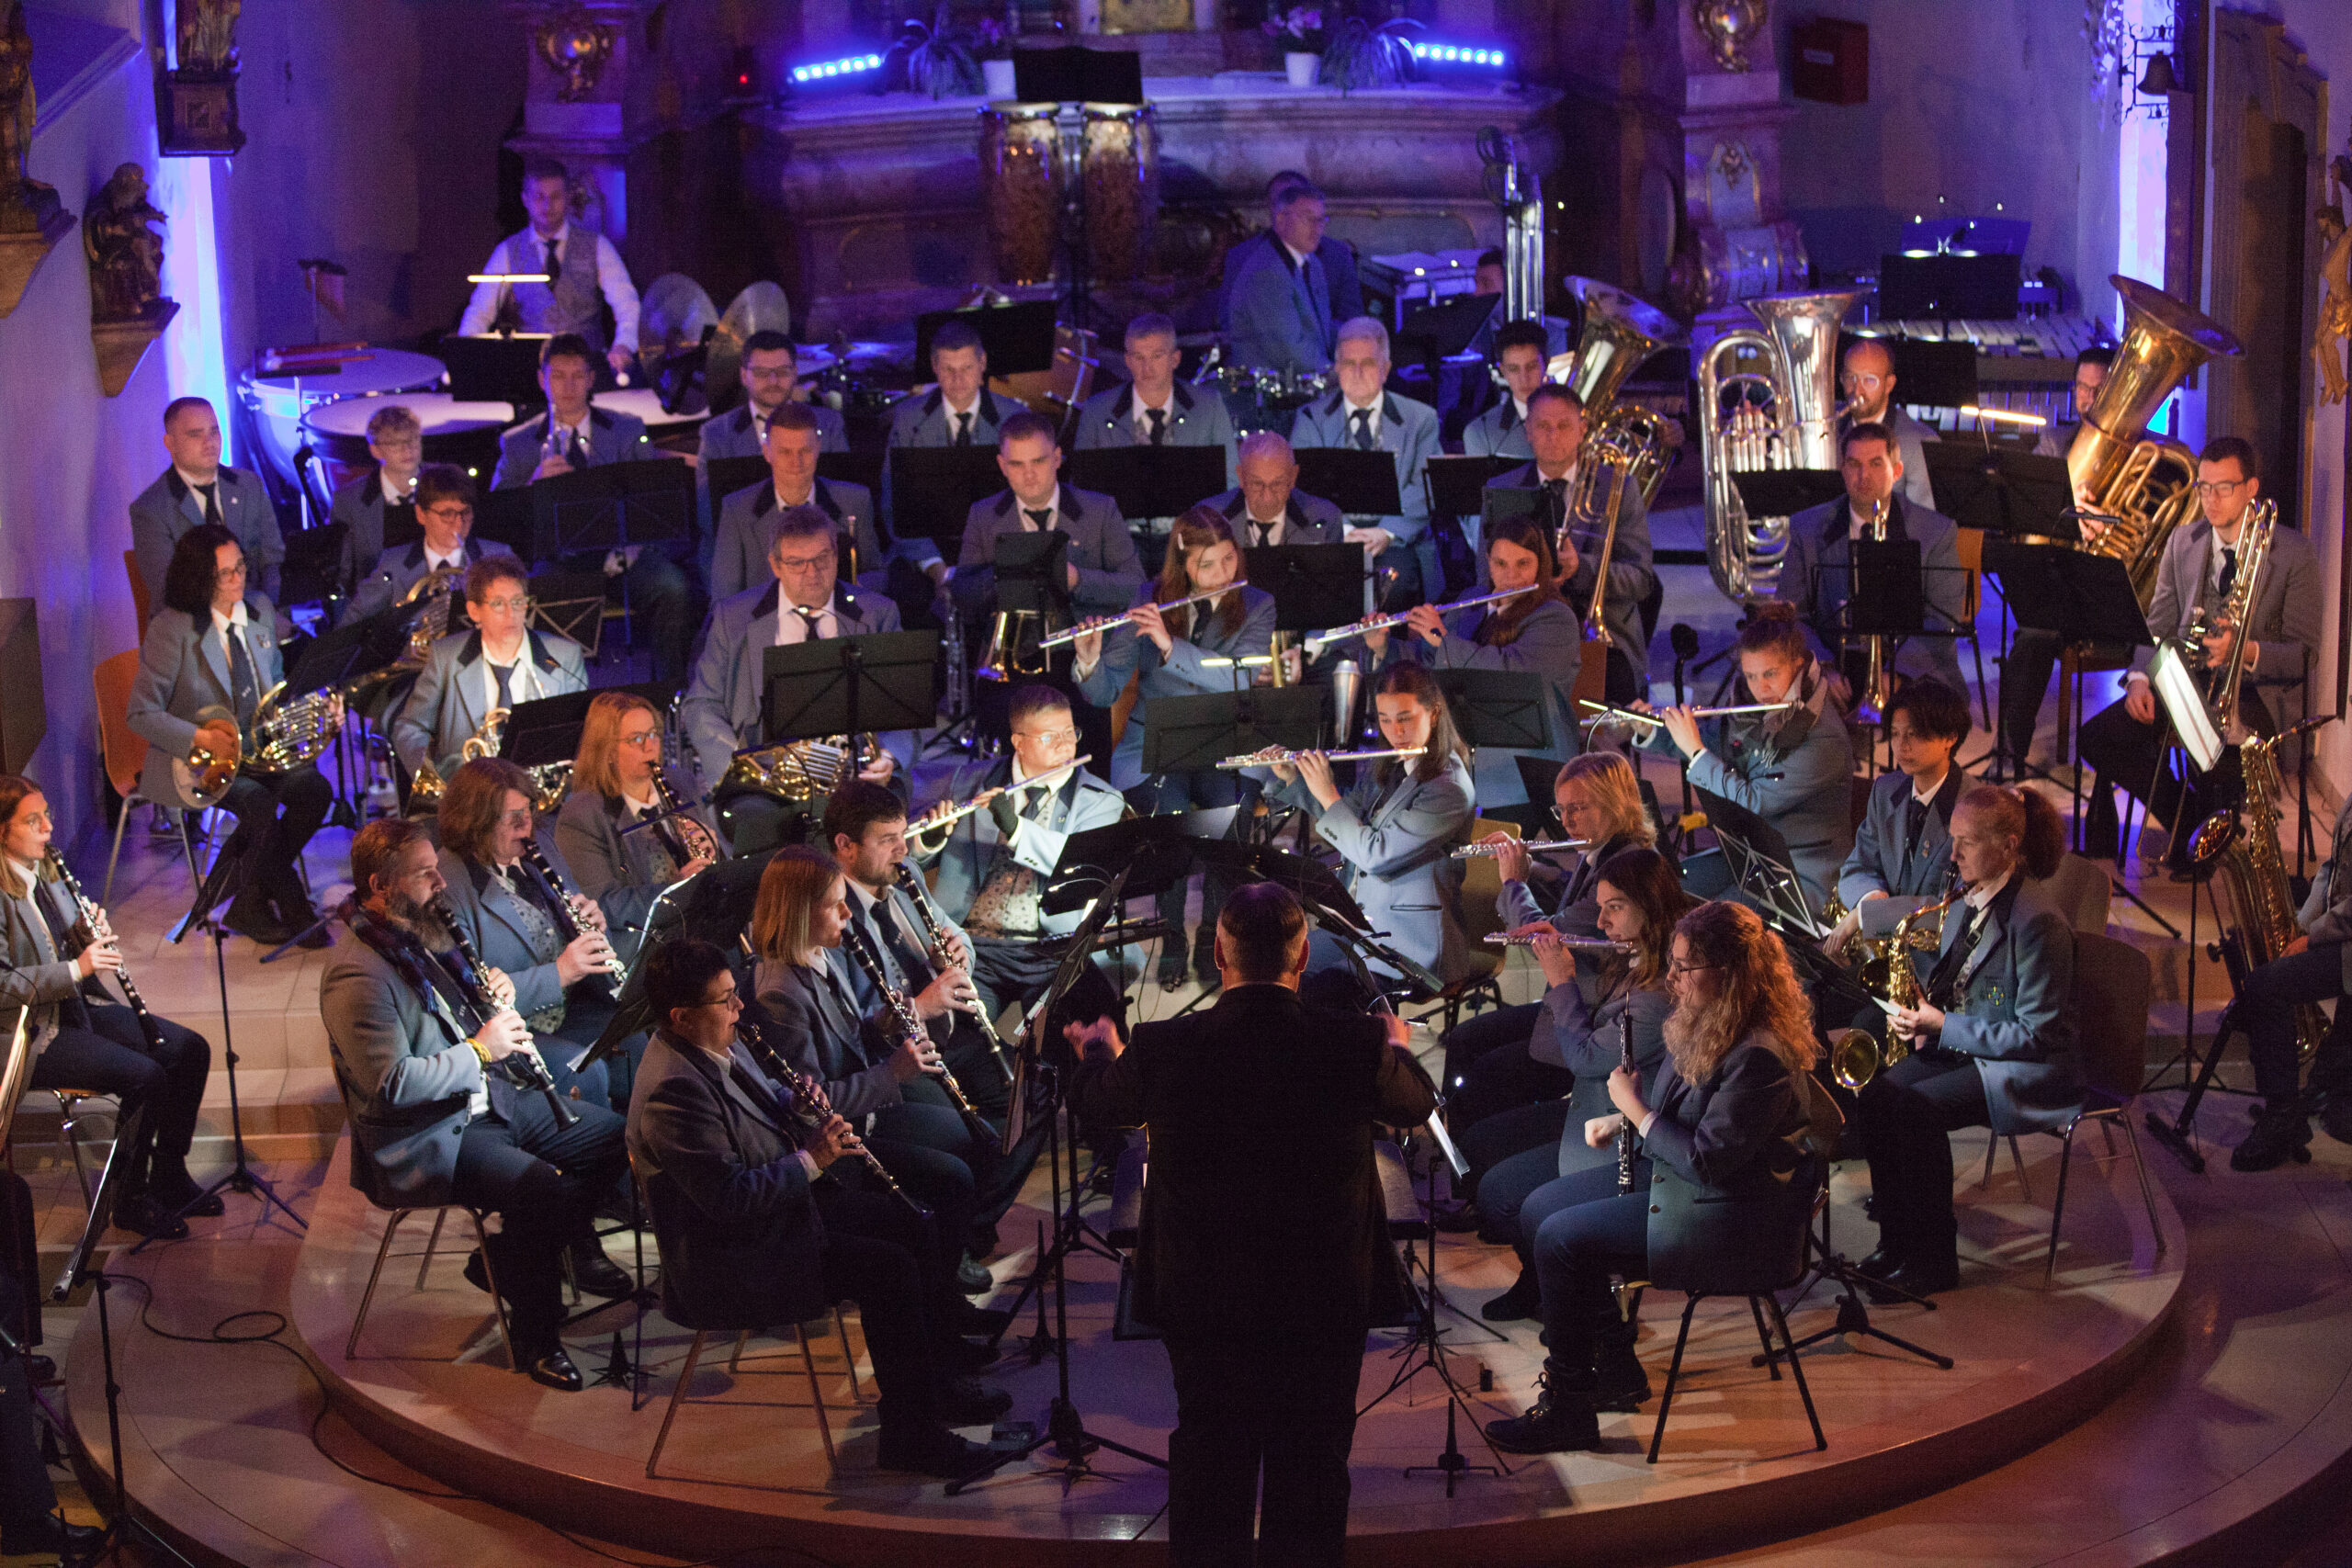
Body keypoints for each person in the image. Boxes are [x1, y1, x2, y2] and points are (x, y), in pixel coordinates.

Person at [1067, 881, 1436, 1568]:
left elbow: (1097, 1105)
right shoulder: (1352, 1041)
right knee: (1313, 1461)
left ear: (1217, 953)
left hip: (1204, 1295)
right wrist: (1397, 1045)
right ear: (1302, 957)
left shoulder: (1163, 1044)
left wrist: (1099, 1050)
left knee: (1211, 1456)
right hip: (1324, 1292)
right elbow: (1416, 1104)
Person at [629, 937, 1010, 1478]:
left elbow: (762, 1099)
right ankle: (912, 1437)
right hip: (738, 1257)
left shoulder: (714, 1038)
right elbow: (730, 1200)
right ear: (681, 1016)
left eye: (736, 993)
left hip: (781, 1216)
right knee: (889, 1268)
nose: (739, 1007)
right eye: (726, 999)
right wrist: (814, 1158)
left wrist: (796, 1101)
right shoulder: (672, 1091)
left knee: (912, 1221)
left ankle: (935, 1384)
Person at [1485, 898, 1817, 1452]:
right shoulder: (1709, 1021)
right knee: (1540, 1207)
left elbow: (1708, 1161)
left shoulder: (1759, 1053)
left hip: (1725, 1215)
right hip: (1683, 1183)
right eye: (1673, 964)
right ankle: (1614, 1366)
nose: (1673, 978)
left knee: (1562, 1238)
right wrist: (1621, 1119)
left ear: (1730, 973)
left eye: (1685, 967)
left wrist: (1636, 1114)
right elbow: (1693, 1118)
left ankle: (1569, 1406)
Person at [322, 818, 632, 1391]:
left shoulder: (417, 934)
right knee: (540, 1190)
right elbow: (390, 1083)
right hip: (429, 1132)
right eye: (424, 873)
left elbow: (454, 1016)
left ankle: (510, 1258)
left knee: (616, 1139)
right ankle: (538, 1336)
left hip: (490, 1102)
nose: (442, 881)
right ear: (381, 886)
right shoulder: (357, 973)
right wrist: (480, 1049)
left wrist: (493, 993)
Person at [746, 843, 1013, 1313]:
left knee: (975, 1142)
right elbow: (808, 1106)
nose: (848, 912)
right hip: (843, 1140)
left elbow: (850, 1037)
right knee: (953, 1174)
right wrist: (893, 1072)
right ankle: (942, 1300)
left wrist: (884, 1025)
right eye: (835, 904)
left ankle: (945, 1276)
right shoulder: (779, 994)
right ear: (801, 913)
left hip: (869, 1107)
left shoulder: (821, 952)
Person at [1856, 784, 2076, 1298]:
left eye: (1967, 843)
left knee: (1918, 1109)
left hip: (2027, 1067)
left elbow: (2037, 1034)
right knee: (1876, 1095)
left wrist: (1941, 1025)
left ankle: (1934, 1260)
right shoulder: (1969, 893)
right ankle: (1896, 1240)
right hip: (1973, 1045)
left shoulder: (2039, 922)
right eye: (1952, 840)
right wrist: (1918, 1007)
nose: (1952, 855)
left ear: (2009, 846)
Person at [2077, 435, 2322, 873]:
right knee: (2099, 736)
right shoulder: (2183, 541)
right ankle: (2190, 821)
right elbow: (2157, 623)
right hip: (2187, 684)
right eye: (2204, 487)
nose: (2210, 499)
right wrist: (2139, 679)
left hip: (2254, 696)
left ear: (2251, 488)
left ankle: (2203, 835)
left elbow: (2304, 655)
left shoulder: (2294, 553)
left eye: (2223, 487)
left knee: (2211, 757)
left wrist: (2244, 651)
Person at [1457, 848, 1685, 1312]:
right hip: (1590, 1110)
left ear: (1651, 906)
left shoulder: (1660, 994)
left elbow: (1584, 1058)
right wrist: (1560, 950)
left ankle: (1576, 1295)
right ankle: (1544, 1278)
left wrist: (1561, 979)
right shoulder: (1630, 958)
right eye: (1600, 908)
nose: (1601, 923)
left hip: (1625, 1138)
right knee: (1482, 1144)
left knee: (1502, 1197)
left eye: (1614, 908)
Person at [0, 776, 215, 1240]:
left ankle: (169, 1174)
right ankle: (129, 1198)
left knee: (189, 1050)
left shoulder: (46, 870)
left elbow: (62, 946)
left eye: (47, 815)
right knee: (146, 1076)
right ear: (3, 832)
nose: (48, 828)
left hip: (75, 1007)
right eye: (32, 821)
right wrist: (77, 967)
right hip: (31, 1033)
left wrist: (85, 935)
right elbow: (3, 985)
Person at [1072, 508, 1273, 988]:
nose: (1223, 573)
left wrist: (1169, 647)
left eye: (1228, 559)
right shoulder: (1149, 598)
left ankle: (1212, 935)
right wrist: (1090, 663)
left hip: (1226, 740)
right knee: (1170, 818)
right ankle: (1172, 936)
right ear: (1182, 565)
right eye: (1207, 565)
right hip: (1154, 742)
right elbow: (1105, 692)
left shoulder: (1258, 604)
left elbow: (1239, 678)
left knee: (1231, 815)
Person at [128, 525, 336, 947]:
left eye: (240, 566)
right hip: (196, 760)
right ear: (199, 578)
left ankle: (249, 902)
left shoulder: (258, 610)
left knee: (315, 790)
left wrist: (316, 713)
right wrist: (201, 739)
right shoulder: (172, 628)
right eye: (225, 573)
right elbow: (141, 714)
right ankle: (293, 904)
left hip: (256, 751)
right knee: (259, 804)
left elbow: (275, 691)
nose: (239, 578)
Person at [1440, 752, 1659, 1127]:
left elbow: (1544, 935)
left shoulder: (1628, 869)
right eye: (1561, 810)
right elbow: (1574, 895)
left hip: (1589, 1022)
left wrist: (1513, 881)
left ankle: (1476, 1152)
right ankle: (1455, 1147)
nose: (1567, 821)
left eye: (1578, 808)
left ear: (1615, 804)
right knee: (1463, 1040)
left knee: (1483, 1077)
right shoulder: (1604, 850)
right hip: (1569, 1005)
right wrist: (1533, 866)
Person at [682, 504, 907, 852]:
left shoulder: (878, 612)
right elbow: (701, 704)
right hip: (765, 784)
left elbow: (902, 700)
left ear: (837, 556)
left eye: (822, 559)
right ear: (775, 565)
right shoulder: (733, 618)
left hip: (855, 774)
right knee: (760, 832)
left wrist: (889, 755)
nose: (812, 573)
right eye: (797, 563)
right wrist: (740, 768)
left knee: (875, 828)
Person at [1337, 513, 1580, 819]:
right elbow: (1426, 664)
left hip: (1524, 766)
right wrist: (1381, 646)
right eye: (1500, 564)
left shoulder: (1555, 617)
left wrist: (1443, 639)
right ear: (1488, 562)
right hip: (1458, 758)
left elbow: (1513, 672)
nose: (1511, 577)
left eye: (1523, 564)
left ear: (1540, 565)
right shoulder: (1473, 600)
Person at [910, 683, 1129, 1021]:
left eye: (1070, 732)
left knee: (1065, 1034)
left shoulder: (1100, 799)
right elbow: (911, 859)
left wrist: (1014, 827)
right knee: (958, 1036)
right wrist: (930, 839)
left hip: (1053, 949)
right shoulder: (968, 780)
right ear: (1019, 742)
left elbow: (1078, 863)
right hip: (973, 946)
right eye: (1049, 737)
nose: (1065, 745)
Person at [490, 333, 697, 684]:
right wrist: (533, 484)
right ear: (542, 380)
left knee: (673, 588)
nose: (569, 386)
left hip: (622, 555)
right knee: (533, 599)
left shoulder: (627, 429)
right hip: (557, 561)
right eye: (558, 376)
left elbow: (655, 498)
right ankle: (554, 696)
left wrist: (636, 546)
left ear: (591, 379)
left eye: (577, 375)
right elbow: (498, 517)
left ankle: (669, 694)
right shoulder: (519, 442)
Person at [1621, 602, 1855, 911]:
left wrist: (1696, 753)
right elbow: (1708, 740)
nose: (1761, 687)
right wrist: (1651, 730)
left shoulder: (1824, 739)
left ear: (1798, 664)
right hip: (1751, 857)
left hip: (1803, 873)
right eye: (1751, 676)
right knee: (1662, 889)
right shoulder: (1751, 712)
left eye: (1771, 673)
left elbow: (1755, 803)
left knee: (1711, 920)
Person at [1261, 662, 1476, 983]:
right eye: (1385, 719)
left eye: (1405, 718)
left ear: (1433, 713)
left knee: (1310, 987)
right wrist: (1295, 778)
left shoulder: (1449, 790)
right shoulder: (1392, 766)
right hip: (1363, 926)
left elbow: (1375, 855)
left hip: (1409, 946)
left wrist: (1328, 792)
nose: (1395, 732)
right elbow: (1344, 816)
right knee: (1276, 968)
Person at [432, 758, 628, 1110]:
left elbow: (584, 933)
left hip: (574, 1007)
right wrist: (560, 973)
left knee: (641, 1034)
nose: (526, 826)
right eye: (512, 817)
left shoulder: (540, 846)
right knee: (587, 1072)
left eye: (528, 811)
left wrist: (594, 925)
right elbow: (470, 998)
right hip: (515, 1032)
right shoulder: (448, 883)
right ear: (476, 822)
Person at [1776, 419, 1970, 703]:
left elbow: (1942, 620)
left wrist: (1898, 674)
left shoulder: (1935, 531)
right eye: (1854, 464)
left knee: (1927, 717)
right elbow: (1790, 615)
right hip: (1835, 661)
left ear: (1897, 472)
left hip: (1909, 665)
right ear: (1842, 470)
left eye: (1876, 464)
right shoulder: (1806, 528)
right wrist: (1821, 668)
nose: (1863, 475)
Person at [1485, 383, 1657, 699]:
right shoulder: (1500, 489)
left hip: (1600, 638)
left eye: (1564, 426)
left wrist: (1582, 568)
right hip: (1523, 631)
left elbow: (1641, 580)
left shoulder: (1620, 486)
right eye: (1543, 426)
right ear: (1528, 431)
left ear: (1582, 429)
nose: (1553, 436)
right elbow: (1484, 578)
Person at [2003, 345, 2119, 767]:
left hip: (2117, 591)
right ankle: (2012, 752)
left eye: (2098, 389)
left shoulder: (2149, 452)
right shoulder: (2055, 442)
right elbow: (2032, 507)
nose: (2088, 398)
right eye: (2081, 387)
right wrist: (2070, 511)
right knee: (2032, 637)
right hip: (2063, 586)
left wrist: (2111, 518)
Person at [2229, 786, 2352, 1169]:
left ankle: (2282, 1116)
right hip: (2342, 937)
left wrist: (2312, 937)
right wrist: (2298, 925)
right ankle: (2289, 1105)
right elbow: (2331, 870)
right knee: (2262, 973)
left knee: (2266, 986)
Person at [390, 555, 587, 785]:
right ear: (474, 611)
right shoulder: (446, 658)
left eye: (517, 601)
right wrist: (433, 780)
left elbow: (584, 732)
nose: (510, 614)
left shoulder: (564, 657)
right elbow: (409, 727)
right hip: (469, 792)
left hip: (543, 793)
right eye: (498, 604)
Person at [1291, 316, 1442, 612]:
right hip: (1331, 540)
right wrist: (1344, 531)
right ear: (1336, 367)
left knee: (1394, 587)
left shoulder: (1420, 419)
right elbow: (1301, 488)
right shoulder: (1310, 419)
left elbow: (1426, 487)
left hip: (1397, 542)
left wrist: (1385, 533)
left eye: (1368, 363)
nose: (1357, 372)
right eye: (1349, 363)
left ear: (1386, 369)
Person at [954, 408, 1143, 627]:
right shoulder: (982, 515)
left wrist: (1078, 580)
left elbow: (1136, 585)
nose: (1029, 474)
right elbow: (962, 593)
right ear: (1002, 466)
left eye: (1038, 461)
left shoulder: (1100, 510)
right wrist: (1004, 574)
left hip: (1085, 641)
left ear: (1056, 458)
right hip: (1014, 642)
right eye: (1017, 464)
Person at [554, 690, 718, 943]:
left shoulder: (681, 782)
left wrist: (714, 852)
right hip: (646, 944)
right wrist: (675, 890)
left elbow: (715, 867)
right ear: (608, 750)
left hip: (701, 929)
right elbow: (605, 905)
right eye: (636, 738)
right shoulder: (582, 815)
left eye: (653, 734)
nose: (649, 746)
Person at [1824, 677, 1969, 962]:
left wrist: (1868, 915)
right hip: (1886, 948)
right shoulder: (1886, 789)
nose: (1901, 746)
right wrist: (1870, 897)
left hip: (1940, 959)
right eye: (1895, 733)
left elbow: (1956, 906)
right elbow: (1857, 866)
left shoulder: (1974, 808)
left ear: (1950, 738)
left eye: (1914, 734)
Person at [456, 155, 639, 378]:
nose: (547, 205)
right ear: (525, 199)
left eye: (555, 196)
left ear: (568, 197)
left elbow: (627, 303)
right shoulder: (507, 251)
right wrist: (465, 355)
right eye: (539, 197)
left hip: (586, 370)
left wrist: (624, 344)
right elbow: (480, 311)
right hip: (532, 371)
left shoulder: (598, 246)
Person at [709, 402, 883, 602]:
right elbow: (724, 598)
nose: (796, 462)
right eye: (785, 452)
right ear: (767, 452)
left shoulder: (855, 500)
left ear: (818, 448)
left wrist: (852, 588)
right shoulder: (737, 510)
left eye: (805, 451)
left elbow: (878, 574)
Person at [129, 396, 281, 609]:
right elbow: (168, 592)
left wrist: (268, 612)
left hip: (256, 612)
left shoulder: (249, 486)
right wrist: (229, 621)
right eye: (195, 434)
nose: (209, 443)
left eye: (214, 432)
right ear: (170, 443)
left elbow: (273, 560)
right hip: (191, 623)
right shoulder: (151, 509)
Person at [882, 317, 1009, 572]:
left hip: (995, 551)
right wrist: (933, 565)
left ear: (983, 363)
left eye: (967, 368)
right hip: (923, 552)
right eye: (949, 369)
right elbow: (893, 502)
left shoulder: (1012, 417)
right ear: (934, 367)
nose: (958, 379)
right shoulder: (907, 419)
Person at [1072, 311, 1239, 488]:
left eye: (1157, 356)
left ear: (1175, 359)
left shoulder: (1209, 407)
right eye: (1139, 357)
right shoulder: (1096, 412)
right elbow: (1082, 488)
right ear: (1127, 361)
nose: (1147, 368)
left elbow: (1230, 481)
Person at [348, 464, 520, 623]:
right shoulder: (393, 565)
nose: (458, 523)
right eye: (447, 514)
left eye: (465, 512)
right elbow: (353, 621)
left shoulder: (499, 556)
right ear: (421, 514)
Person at [1222, 177, 1340, 377]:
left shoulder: (1312, 263)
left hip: (1303, 381)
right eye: (1308, 218)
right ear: (1281, 220)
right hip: (1270, 389)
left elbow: (1321, 329)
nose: (1317, 228)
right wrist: (1337, 373)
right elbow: (1289, 352)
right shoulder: (1265, 273)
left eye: (1321, 220)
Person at [695, 329, 848, 463]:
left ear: (795, 374)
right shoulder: (715, 435)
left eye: (782, 371)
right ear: (744, 376)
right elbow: (707, 489)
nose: (773, 381)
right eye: (761, 373)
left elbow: (843, 487)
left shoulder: (829, 425)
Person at [328, 402, 424, 601]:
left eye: (412, 439)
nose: (407, 449)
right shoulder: (350, 501)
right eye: (394, 443)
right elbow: (342, 575)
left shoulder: (444, 484)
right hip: (378, 605)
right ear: (375, 450)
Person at [1838, 338, 1938, 513]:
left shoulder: (1919, 444)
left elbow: (1924, 520)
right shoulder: (1828, 430)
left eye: (1869, 380)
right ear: (1841, 379)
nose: (1857, 390)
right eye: (1850, 378)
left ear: (1889, 384)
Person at [1205, 431, 1347, 550]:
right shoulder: (1207, 519)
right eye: (1257, 484)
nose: (1267, 497)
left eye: (1277, 484)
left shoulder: (1326, 518)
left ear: (1293, 477)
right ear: (1241, 477)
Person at [1461, 318, 1550, 464]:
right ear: (1503, 371)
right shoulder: (1480, 432)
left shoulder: (1578, 419)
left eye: (1531, 367)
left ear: (1546, 364)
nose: (1524, 379)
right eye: (1514, 369)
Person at [2033, 344, 2114, 459]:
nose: (2092, 399)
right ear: (2075, 389)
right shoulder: (2053, 443)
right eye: (2084, 387)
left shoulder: (2138, 447)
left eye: (2101, 389)